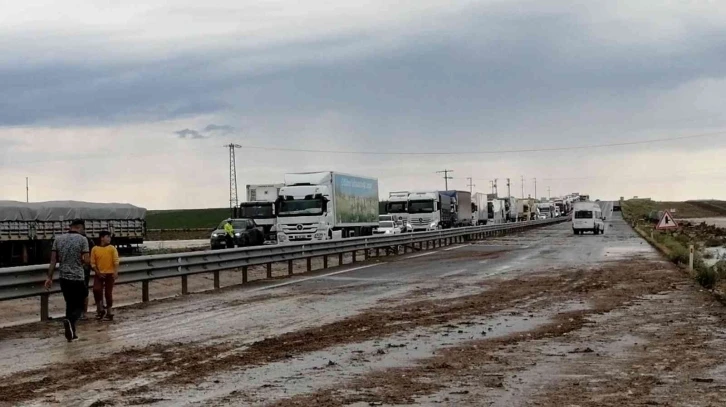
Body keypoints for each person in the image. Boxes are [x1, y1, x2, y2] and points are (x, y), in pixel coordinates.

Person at [45, 219, 90, 342]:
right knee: (80, 304)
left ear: (71, 227)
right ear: (80, 227)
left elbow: (53, 261)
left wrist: (49, 277)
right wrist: (83, 262)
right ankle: (70, 321)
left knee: (69, 303)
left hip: (63, 277)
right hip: (77, 277)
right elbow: (87, 260)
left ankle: (72, 332)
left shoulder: (58, 239)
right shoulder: (83, 239)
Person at [91, 231, 119, 320]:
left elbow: (116, 261)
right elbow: (93, 263)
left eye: (109, 237)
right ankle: (100, 309)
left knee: (108, 293)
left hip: (109, 273)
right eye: (107, 237)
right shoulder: (95, 249)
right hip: (99, 274)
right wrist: (98, 272)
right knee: (96, 290)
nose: (109, 239)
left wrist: (115, 272)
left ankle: (109, 312)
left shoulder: (112, 248)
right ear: (102, 238)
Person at [81, 232, 95, 320]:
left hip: (82, 269)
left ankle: (82, 312)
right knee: (84, 291)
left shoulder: (87, 241)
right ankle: (83, 312)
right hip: (84, 269)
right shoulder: (88, 240)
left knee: (83, 291)